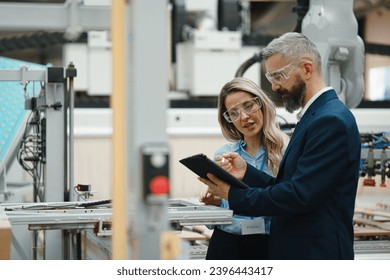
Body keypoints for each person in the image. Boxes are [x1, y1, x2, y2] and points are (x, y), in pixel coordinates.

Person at [198, 32, 361, 260]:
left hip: (316, 255)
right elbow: (289, 185)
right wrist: (247, 173)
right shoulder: (313, 117)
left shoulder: (329, 120)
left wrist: (232, 195)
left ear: (306, 69)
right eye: (270, 77)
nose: (273, 86)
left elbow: (299, 196)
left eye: (279, 76)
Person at [200, 77, 289, 260]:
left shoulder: (286, 151)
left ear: (261, 103)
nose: (244, 117)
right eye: (234, 113)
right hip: (226, 244)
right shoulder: (225, 154)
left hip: (268, 245)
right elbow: (215, 222)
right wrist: (214, 204)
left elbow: (288, 202)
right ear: (229, 120)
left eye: (248, 106)